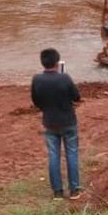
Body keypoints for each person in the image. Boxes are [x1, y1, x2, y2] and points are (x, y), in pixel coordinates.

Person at [31, 48, 82, 201]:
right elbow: (76, 97)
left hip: (50, 122)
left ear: (43, 62)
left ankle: (58, 192)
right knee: (71, 154)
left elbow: (36, 101)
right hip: (68, 122)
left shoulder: (37, 79)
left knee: (54, 156)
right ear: (56, 62)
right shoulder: (65, 78)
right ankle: (74, 190)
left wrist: (46, 108)